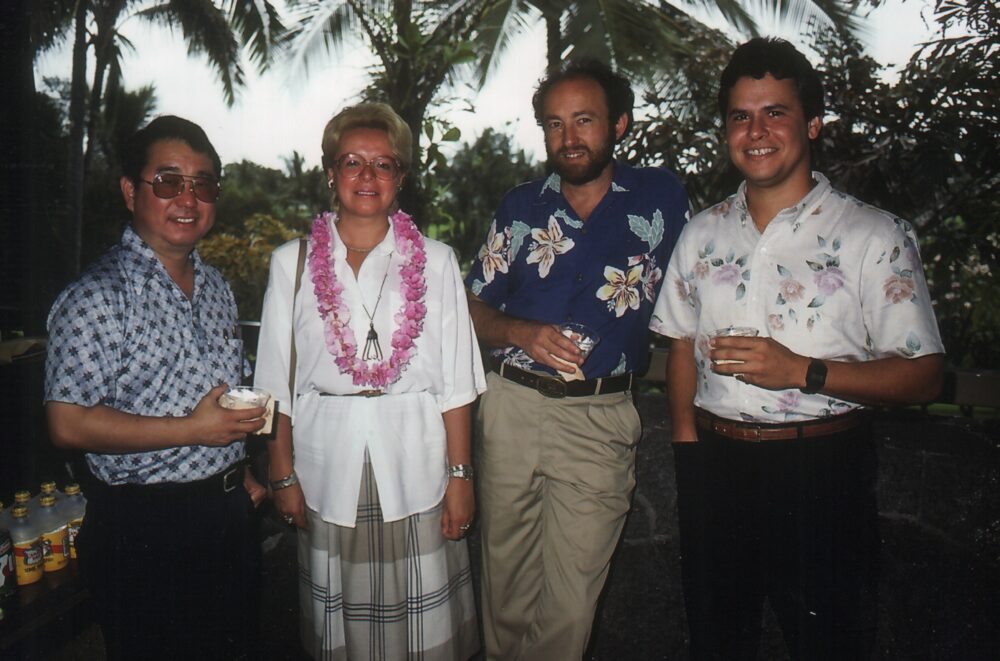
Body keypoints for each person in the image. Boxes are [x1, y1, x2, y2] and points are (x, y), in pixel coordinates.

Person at [650, 37, 946, 660]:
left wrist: (802, 371)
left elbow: (924, 376)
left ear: (812, 124)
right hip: (716, 468)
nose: (756, 131)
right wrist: (686, 450)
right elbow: (679, 342)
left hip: (823, 471)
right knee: (716, 642)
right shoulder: (700, 233)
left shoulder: (874, 235)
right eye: (740, 116)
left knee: (829, 642)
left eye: (775, 113)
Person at [465, 60, 689, 660]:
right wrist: (518, 330)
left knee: (570, 606)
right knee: (505, 593)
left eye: (584, 120)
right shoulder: (521, 208)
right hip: (511, 407)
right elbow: (469, 305)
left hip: (598, 417)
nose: (568, 138)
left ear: (619, 124)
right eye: (554, 124)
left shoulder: (661, 199)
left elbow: (699, 288)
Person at [253, 102, 485, 660]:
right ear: (330, 171)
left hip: (417, 462)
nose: (367, 175)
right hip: (326, 464)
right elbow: (275, 382)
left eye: (384, 164)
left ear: (401, 177)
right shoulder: (292, 263)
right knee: (344, 626)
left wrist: (461, 477)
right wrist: (282, 474)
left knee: (422, 627)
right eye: (352, 161)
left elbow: (456, 382)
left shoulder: (436, 261)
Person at [44, 115, 267, 660]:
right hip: (144, 529)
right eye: (168, 182)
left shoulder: (216, 287)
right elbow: (67, 423)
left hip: (227, 514)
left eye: (203, 184)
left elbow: (218, 394)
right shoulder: (97, 297)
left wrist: (239, 469)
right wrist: (193, 430)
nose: (187, 199)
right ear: (130, 191)